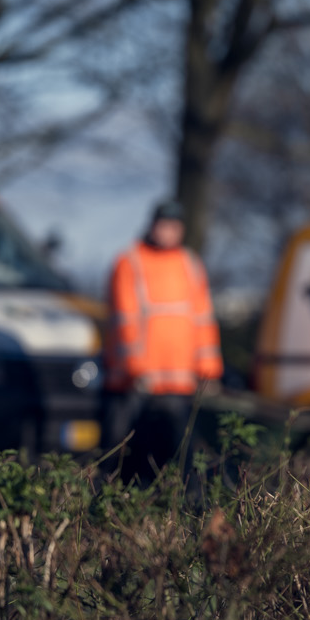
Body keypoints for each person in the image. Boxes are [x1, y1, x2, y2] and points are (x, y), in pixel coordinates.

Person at [103, 200, 224, 477]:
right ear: (152, 225)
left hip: (179, 384)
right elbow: (125, 320)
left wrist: (209, 372)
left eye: (174, 226)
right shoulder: (130, 262)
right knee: (122, 456)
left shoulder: (190, 264)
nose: (168, 232)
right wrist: (135, 369)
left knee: (179, 457)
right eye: (164, 225)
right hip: (135, 385)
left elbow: (203, 321)